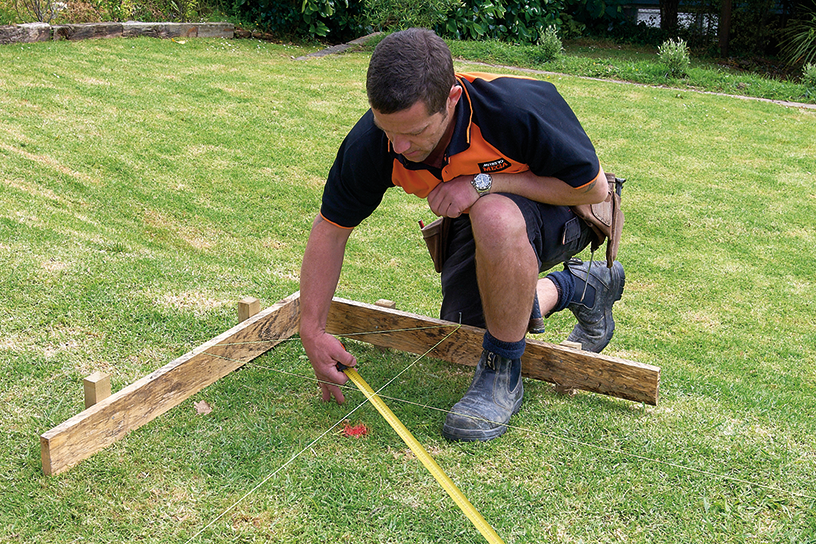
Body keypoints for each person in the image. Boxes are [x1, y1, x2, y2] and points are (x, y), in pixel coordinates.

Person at [299, 28, 625, 442]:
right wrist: (312, 329)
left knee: (492, 215)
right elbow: (331, 229)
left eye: (414, 133)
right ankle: (577, 287)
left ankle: (502, 376)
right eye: (388, 130)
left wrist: (482, 184)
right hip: (489, 224)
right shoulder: (375, 142)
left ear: (451, 99)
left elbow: (593, 189)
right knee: (466, 331)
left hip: (569, 211)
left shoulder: (515, 111)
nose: (398, 147)